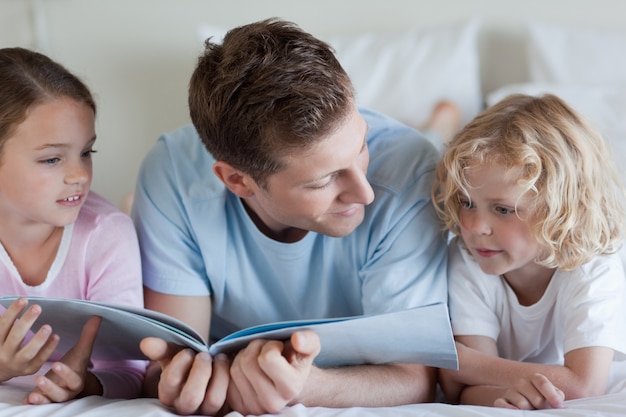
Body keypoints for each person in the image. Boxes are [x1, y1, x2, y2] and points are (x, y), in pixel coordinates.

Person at [132, 18, 448, 416]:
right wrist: (183, 382)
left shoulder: (411, 168)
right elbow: (179, 357)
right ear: (237, 180)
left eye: (362, 144)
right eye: (323, 181)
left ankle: (442, 122)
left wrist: (310, 387)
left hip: (413, 165)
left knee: (436, 151)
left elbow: (417, 378)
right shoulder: (172, 173)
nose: (364, 193)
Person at [432, 93, 626, 410]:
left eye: (503, 209)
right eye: (467, 202)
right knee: (428, 155)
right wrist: (495, 393)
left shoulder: (595, 267)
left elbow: (585, 385)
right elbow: (459, 393)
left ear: (560, 209)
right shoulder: (470, 257)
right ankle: (439, 127)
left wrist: (466, 363)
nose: (476, 226)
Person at [0, 47, 145, 404]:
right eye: (52, 158)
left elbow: (132, 371)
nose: (80, 175)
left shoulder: (107, 236)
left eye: (86, 152)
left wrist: (86, 385)